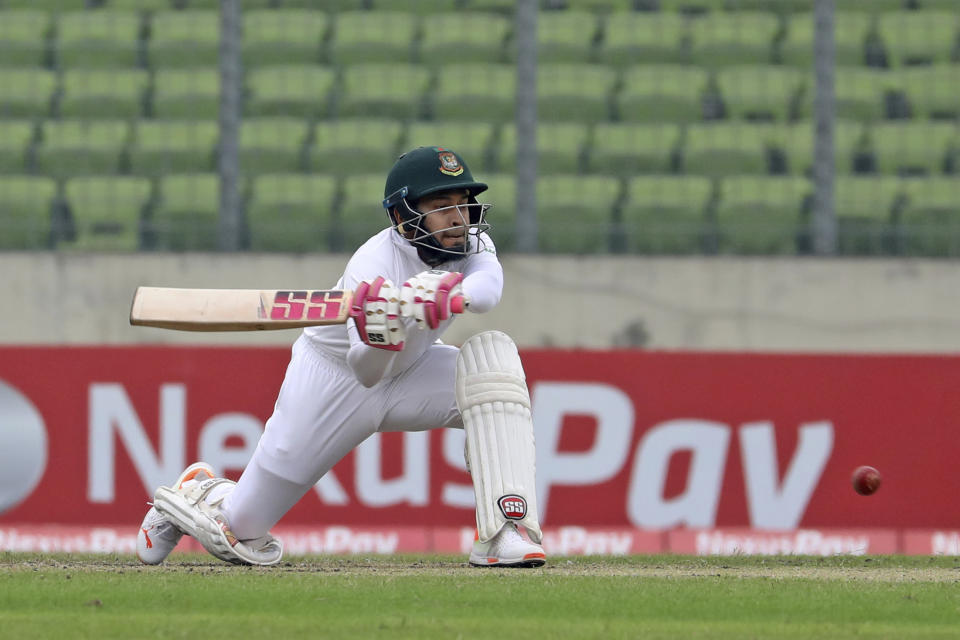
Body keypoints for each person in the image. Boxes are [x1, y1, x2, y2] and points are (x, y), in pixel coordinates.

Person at [136, 146, 545, 567]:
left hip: (416, 371)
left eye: (464, 205)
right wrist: (384, 331)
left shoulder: (473, 243)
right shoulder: (372, 263)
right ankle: (198, 492)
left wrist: (444, 295)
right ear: (402, 216)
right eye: (443, 208)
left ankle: (505, 531)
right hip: (332, 381)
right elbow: (366, 372)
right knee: (242, 533)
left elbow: (488, 291)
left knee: (493, 368)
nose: (459, 219)